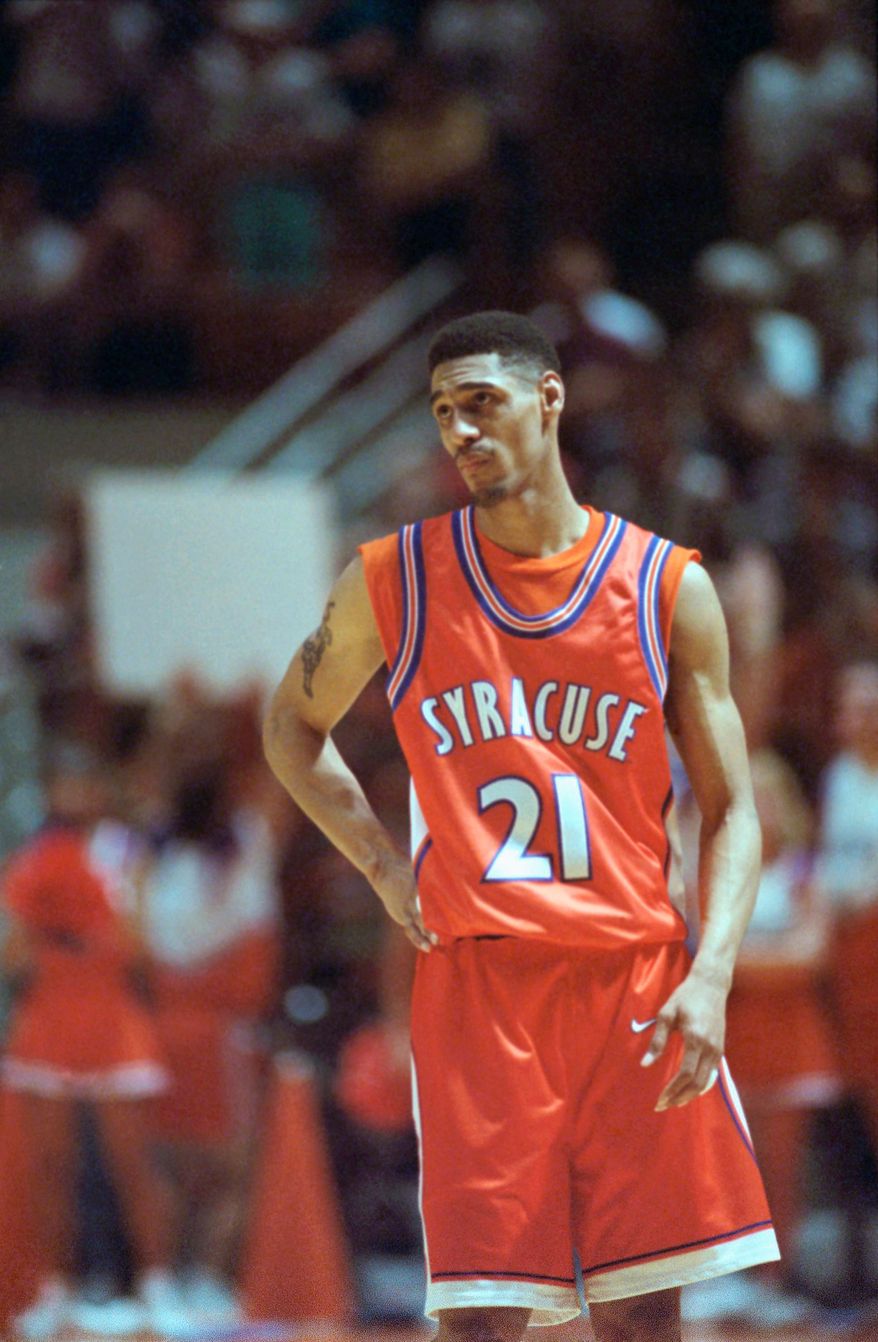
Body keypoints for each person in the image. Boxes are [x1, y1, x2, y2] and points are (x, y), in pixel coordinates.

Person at [263, 311, 779, 1342]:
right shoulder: (391, 580)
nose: (460, 429)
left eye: (481, 401)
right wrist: (378, 863)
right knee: (484, 1317)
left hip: (634, 980)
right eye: (443, 411)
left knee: (642, 1316)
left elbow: (730, 811)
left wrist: (712, 970)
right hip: (482, 989)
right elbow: (291, 727)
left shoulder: (666, 588)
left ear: (546, 399)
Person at [0, 753, 188, 1340]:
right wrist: (45, 926)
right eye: (64, 781)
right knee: (51, 1166)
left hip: (112, 1025)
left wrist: (81, 928)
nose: (74, 792)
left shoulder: (124, 853)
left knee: (134, 1164)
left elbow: (136, 946)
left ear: (100, 790)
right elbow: (12, 957)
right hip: (48, 1024)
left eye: (84, 781)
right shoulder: (30, 860)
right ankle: (54, 1293)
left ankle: (158, 1288)